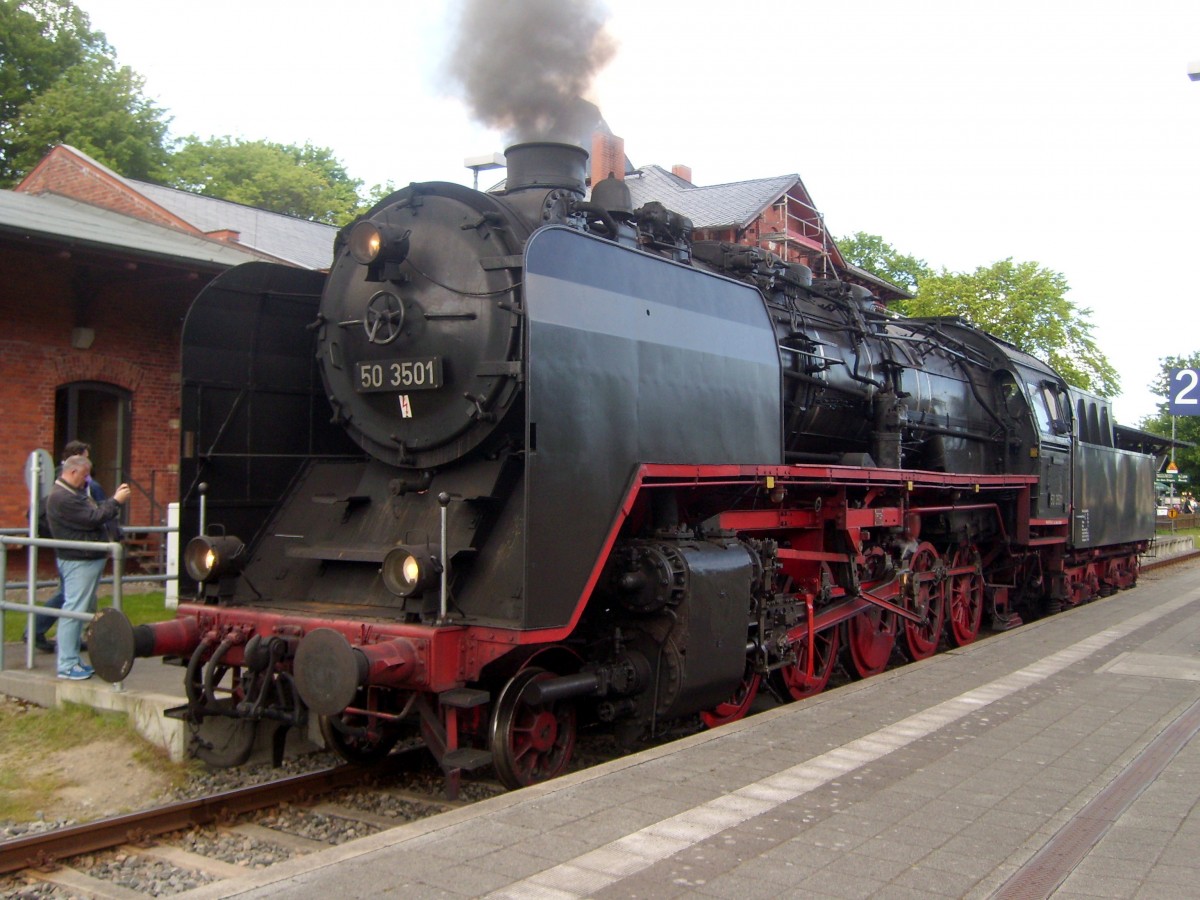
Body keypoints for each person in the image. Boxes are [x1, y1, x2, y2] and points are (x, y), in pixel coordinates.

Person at [45, 454, 129, 680]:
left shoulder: (70, 493)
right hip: (79, 560)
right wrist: (116, 501)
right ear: (72, 472)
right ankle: (67, 664)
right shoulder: (64, 497)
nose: (86, 481)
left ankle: (72, 659)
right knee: (74, 610)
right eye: (84, 476)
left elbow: (92, 515)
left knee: (81, 610)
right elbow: (93, 517)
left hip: (83, 559)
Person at [26, 441, 109, 653]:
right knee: (72, 601)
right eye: (87, 460)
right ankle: (64, 650)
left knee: (78, 599)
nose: (88, 471)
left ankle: (78, 640)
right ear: (76, 463)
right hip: (79, 551)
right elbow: (95, 516)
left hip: (68, 547)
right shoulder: (72, 486)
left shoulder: (59, 481)